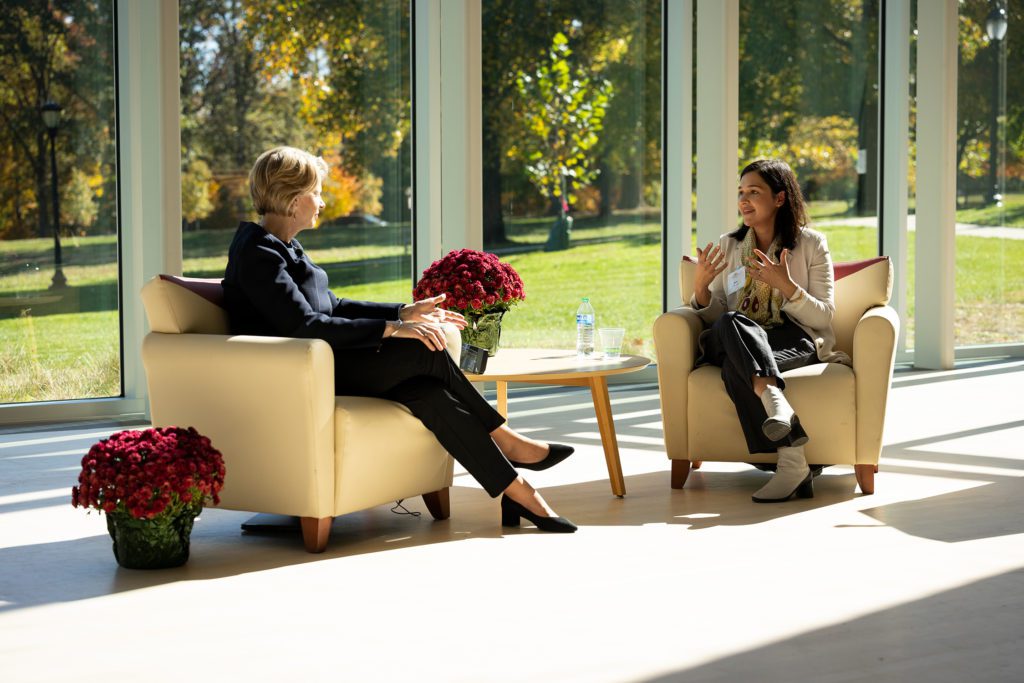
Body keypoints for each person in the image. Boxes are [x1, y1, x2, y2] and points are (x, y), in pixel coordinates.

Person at [222, 146, 577, 532]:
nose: (322, 201)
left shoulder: (282, 245)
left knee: (430, 393)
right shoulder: (258, 253)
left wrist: (402, 312)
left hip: (326, 363)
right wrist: (393, 329)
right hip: (297, 376)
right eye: (317, 192)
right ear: (293, 198)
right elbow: (305, 326)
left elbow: (332, 305)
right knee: (420, 347)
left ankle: (517, 491)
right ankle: (504, 437)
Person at [690, 159, 850, 503]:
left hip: (792, 336)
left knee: (740, 366)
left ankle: (792, 463)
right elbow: (716, 312)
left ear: (779, 198)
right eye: (741, 193)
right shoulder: (730, 244)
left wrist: (788, 287)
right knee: (733, 323)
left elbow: (823, 317)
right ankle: (774, 399)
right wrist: (701, 287)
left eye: (754, 192)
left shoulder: (811, 244)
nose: (744, 200)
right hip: (736, 332)